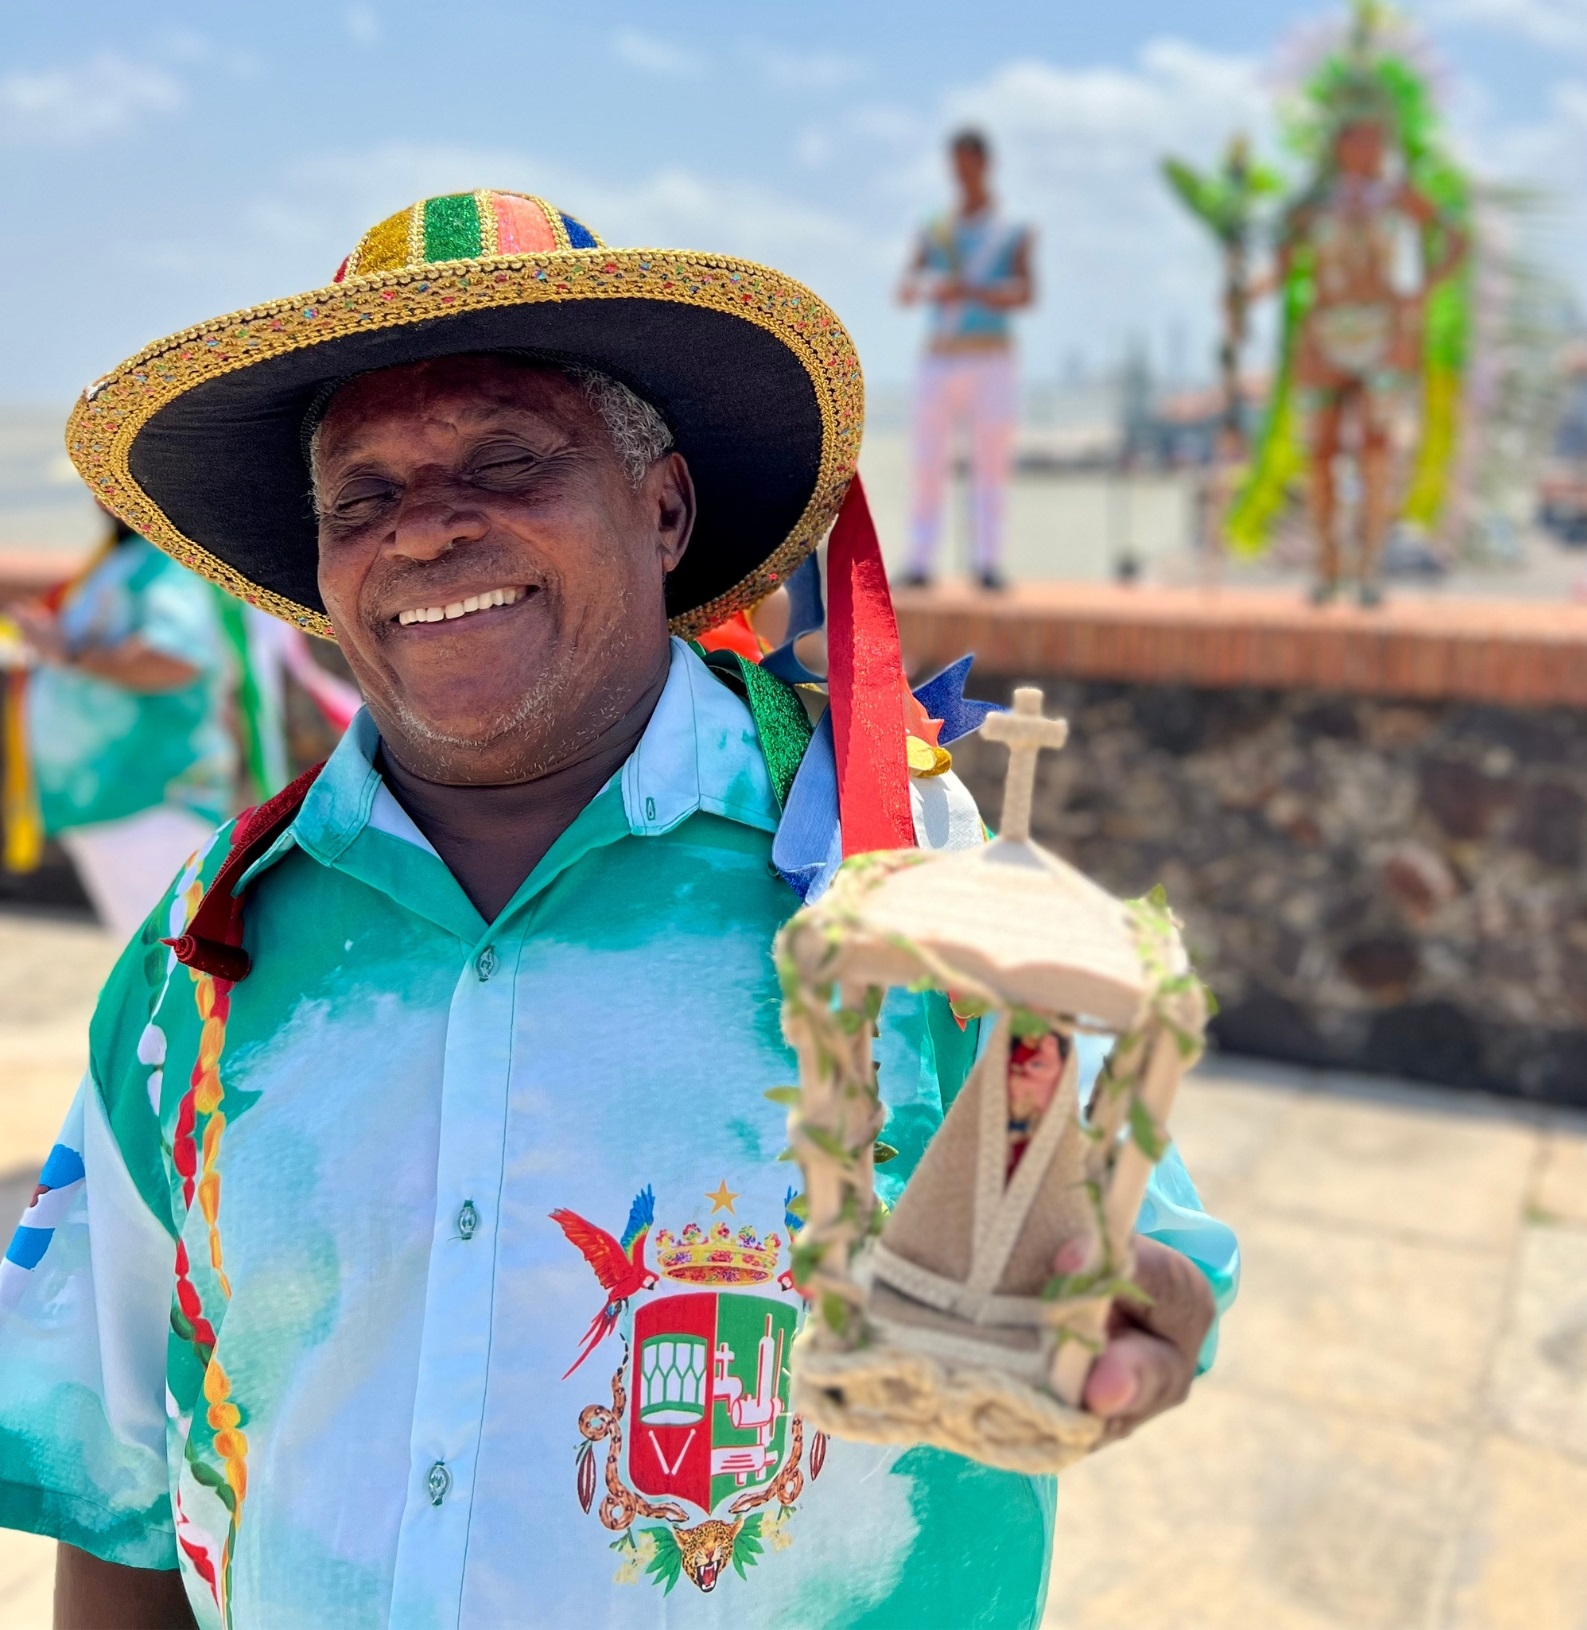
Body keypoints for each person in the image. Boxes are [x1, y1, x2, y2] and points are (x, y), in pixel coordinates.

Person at [0, 189, 1234, 1630]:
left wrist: (1127, 1304)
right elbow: (124, 1478)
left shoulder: (892, 875)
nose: (422, 533)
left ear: (662, 510)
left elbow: (1117, 1242)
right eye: (361, 496)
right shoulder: (204, 957)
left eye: (505, 460)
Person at [6, 511, 243, 941]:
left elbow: (176, 658)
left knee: (178, 962)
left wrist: (67, 653)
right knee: (150, 961)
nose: (100, 498)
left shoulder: (165, 561)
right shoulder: (126, 559)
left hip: (154, 798)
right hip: (115, 801)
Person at [1276, 109, 1464, 605]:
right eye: (1362, 139)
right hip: (1324, 335)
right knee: (1319, 453)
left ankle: (1370, 570)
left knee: (1376, 452)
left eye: (1378, 141)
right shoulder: (1313, 206)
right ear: (1340, 145)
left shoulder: (1399, 198)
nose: (1371, 151)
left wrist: (1418, 293)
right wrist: (1239, 297)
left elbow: (1455, 237)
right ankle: (1326, 566)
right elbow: (1278, 268)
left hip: (1382, 336)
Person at [898, 129, 1034, 591]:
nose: (960, 171)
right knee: (927, 459)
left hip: (990, 356)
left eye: (967, 162)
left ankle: (988, 561)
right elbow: (908, 282)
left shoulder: (1012, 227)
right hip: (940, 355)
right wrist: (924, 284)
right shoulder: (936, 226)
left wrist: (971, 290)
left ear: (983, 163)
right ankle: (918, 559)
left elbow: (1024, 291)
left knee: (991, 461)